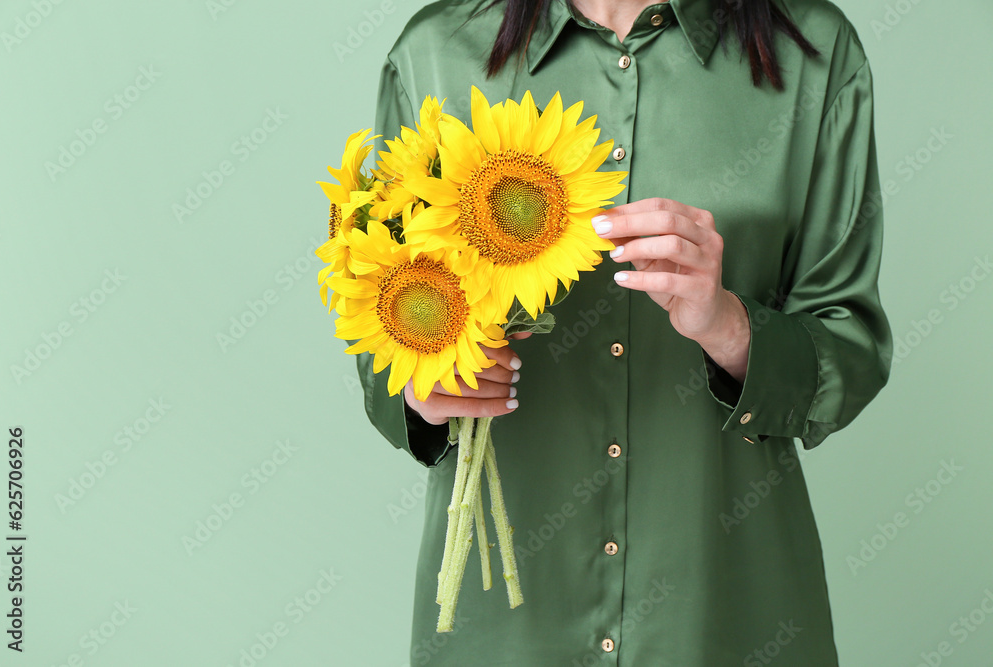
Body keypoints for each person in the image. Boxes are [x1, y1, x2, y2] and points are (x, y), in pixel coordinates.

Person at [354, 0, 893, 664]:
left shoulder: (815, 52)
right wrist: (421, 387)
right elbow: (377, 314)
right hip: (505, 625)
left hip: (724, 615)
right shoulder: (435, 51)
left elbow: (852, 348)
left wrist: (728, 325)